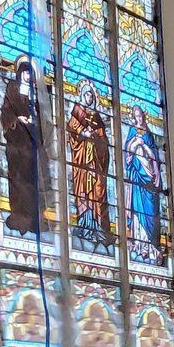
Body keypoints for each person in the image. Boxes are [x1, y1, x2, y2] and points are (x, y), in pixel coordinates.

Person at [0, 56, 52, 235]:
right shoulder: (12, 89)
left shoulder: (34, 94)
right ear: (20, 73)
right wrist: (16, 121)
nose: (28, 77)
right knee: (18, 178)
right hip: (16, 143)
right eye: (25, 73)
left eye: (31, 74)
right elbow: (5, 113)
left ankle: (33, 217)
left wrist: (34, 120)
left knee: (33, 180)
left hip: (31, 144)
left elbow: (43, 118)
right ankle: (19, 215)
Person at [67, 83, 113, 251]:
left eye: (92, 96)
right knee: (83, 191)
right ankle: (85, 223)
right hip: (82, 162)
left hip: (95, 162)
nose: (90, 98)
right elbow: (71, 128)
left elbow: (105, 142)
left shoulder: (97, 118)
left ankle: (98, 226)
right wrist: (82, 133)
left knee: (97, 190)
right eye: (87, 95)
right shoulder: (77, 111)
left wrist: (95, 138)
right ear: (82, 96)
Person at [124, 108, 162, 263]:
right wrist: (134, 146)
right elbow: (127, 153)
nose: (139, 118)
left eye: (140, 115)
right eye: (136, 116)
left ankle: (152, 247)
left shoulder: (149, 135)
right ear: (134, 118)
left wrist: (144, 146)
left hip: (149, 177)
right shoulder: (132, 131)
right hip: (137, 177)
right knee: (137, 210)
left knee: (150, 211)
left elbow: (155, 156)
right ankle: (140, 246)